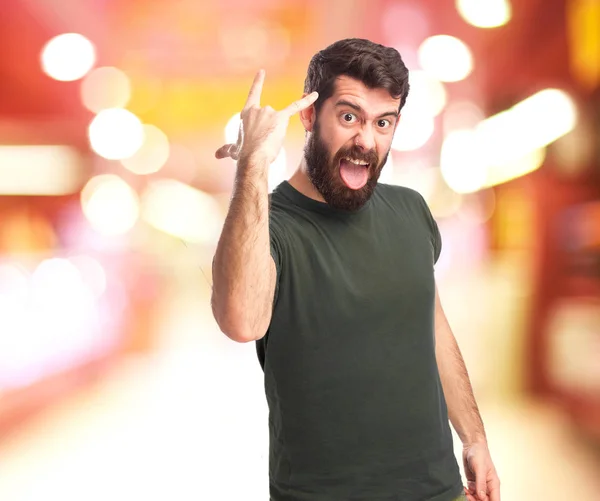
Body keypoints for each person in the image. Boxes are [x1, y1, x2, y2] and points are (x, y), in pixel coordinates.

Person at [211, 38, 500, 501]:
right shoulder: (268, 225)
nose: (366, 140)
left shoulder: (411, 211)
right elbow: (241, 321)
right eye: (349, 117)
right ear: (309, 117)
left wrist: (475, 438)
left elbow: (431, 326)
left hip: (437, 491)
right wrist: (252, 166)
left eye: (383, 122)